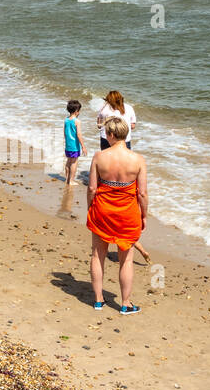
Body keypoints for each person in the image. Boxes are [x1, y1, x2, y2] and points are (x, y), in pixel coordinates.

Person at [86, 117, 147, 314]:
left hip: (102, 210)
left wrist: (90, 208)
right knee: (126, 260)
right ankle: (125, 303)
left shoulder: (99, 157)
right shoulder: (138, 159)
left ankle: (98, 300)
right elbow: (143, 193)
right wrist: (144, 215)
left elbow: (92, 188)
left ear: (111, 135)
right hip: (127, 213)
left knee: (97, 255)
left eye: (106, 133)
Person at [63, 99, 88, 186]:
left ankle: (67, 179)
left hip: (68, 145)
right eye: (79, 111)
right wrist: (83, 146)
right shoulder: (77, 121)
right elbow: (79, 134)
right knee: (74, 162)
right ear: (77, 111)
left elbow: (65, 133)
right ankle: (71, 180)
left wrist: (66, 142)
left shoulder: (66, 120)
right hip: (74, 146)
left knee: (68, 162)